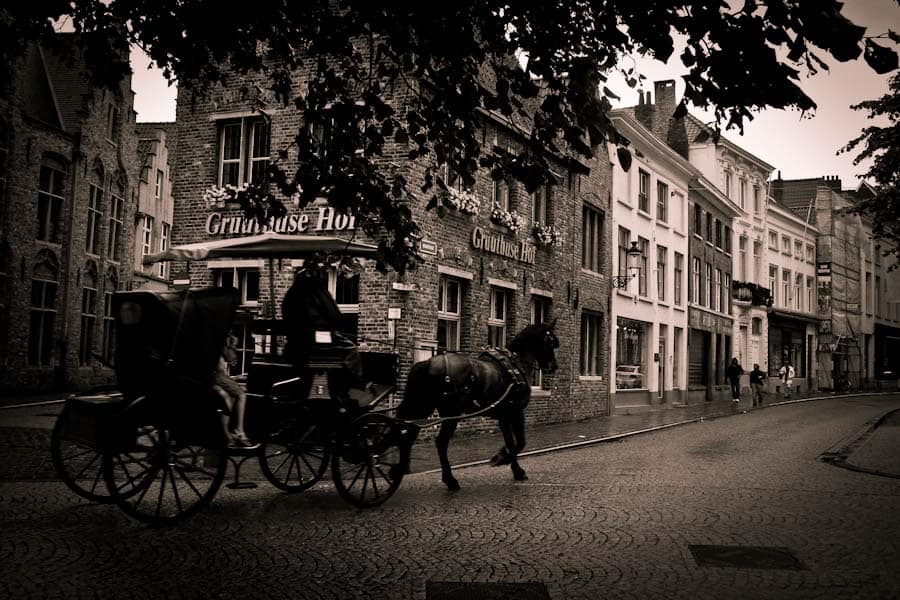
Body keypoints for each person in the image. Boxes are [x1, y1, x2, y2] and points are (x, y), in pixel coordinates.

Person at [282, 266, 365, 403]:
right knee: (351, 350)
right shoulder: (317, 291)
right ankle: (353, 383)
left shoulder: (291, 293)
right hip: (317, 341)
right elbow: (335, 316)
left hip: (295, 342)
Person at [212, 331, 258, 449]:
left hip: (216, 377)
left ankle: (227, 434)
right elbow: (229, 359)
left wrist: (234, 378)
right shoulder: (222, 349)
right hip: (217, 377)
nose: (235, 350)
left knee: (230, 397)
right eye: (234, 347)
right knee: (242, 395)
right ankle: (240, 431)